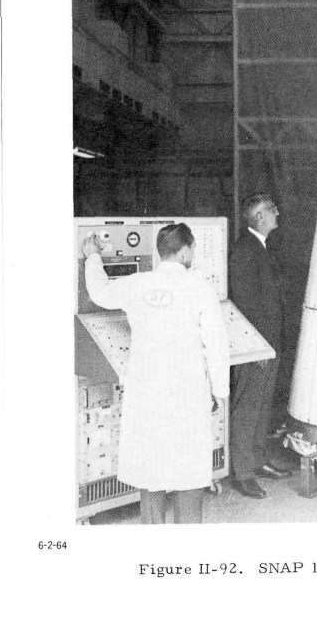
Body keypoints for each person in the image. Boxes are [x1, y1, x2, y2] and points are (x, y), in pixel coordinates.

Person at [82, 223, 229, 523]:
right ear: (185, 251)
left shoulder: (138, 283)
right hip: (187, 395)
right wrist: (220, 392)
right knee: (188, 471)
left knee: (150, 471)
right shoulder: (200, 288)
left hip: (146, 395)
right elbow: (216, 344)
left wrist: (93, 256)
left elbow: (100, 293)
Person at [228, 193, 291, 498]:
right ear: (259, 217)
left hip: (269, 343)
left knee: (262, 405)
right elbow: (245, 304)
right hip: (256, 346)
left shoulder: (262, 247)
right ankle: (242, 473)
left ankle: (257, 459)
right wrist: (257, 347)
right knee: (248, 407)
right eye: (272, 210)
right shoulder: (245, 251)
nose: (277, 213)